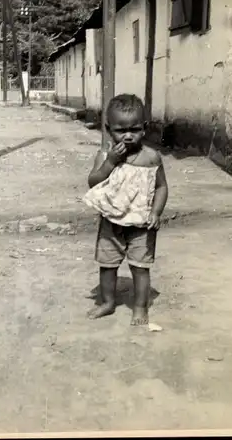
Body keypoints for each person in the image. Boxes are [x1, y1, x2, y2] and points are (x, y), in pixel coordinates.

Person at [83, 94, 168, 326]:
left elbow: (161, 187)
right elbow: (93, 182)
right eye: (121, 130)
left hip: (141, 224)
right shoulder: (104, 155)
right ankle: (107, 302)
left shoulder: (151, 157)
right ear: (109, 129)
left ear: (145, 128)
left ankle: (140, 308)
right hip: (111, 222)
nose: (128, 136)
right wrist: (110, 162)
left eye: (135, 129)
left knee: (140, 267)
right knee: (107, 265)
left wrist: (156, 213)